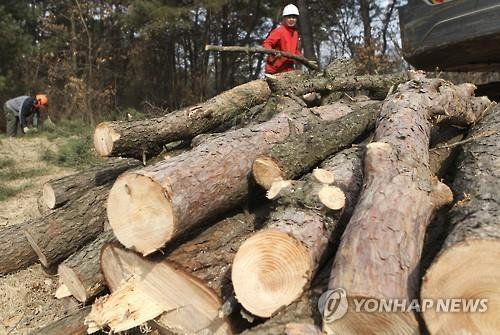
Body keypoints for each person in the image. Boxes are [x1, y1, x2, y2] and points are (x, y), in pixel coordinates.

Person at [262, 4, 301, 74]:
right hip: (275, 70)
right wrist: (274, 52)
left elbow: (296, 51)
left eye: (294, 17)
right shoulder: (279, 31)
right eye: (289, 17)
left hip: (288, 70)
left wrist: (300, 57)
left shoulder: (295, 33)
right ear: (284, 18)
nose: (291, 19)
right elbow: (266, 43)